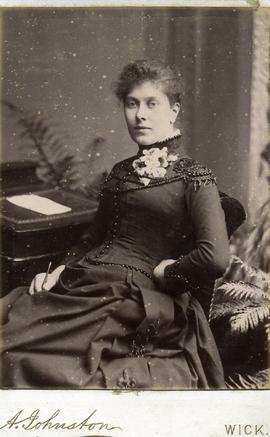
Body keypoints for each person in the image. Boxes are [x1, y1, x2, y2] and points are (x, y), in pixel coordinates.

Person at [0, 59, 245, 389]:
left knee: (26, 357)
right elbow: (92, 238)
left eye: (151, 103)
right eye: (132, 104)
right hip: (84, 281)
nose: (140, 114)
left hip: (131, 295)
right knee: (10, 323)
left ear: (173, 110)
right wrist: (57, 270)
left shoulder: (194, 177)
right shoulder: (120, 171)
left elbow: (215, 257)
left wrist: (168, 274)